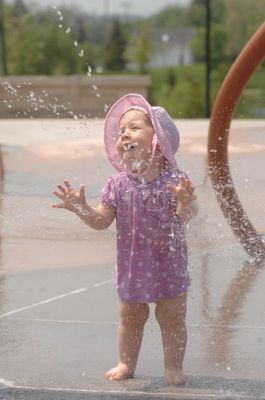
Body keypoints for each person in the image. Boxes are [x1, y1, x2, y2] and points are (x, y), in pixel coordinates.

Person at [52, 93, 197, 385]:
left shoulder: (173, 179)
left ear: (158, 141)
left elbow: (186, 217)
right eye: (121, 132)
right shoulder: (117, 183)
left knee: (171, 318)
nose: (124, 134)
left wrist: (184, 203)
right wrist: (82, 209)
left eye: (133, 127)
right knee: (131, 317)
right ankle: (126, 363)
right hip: (133, 267)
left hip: (169, 265)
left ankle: (173, 366)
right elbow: (102, 221)